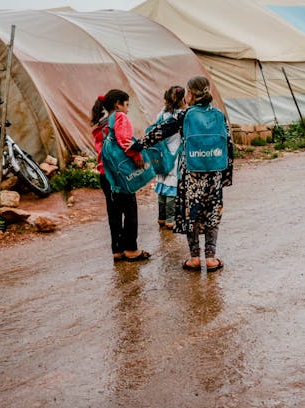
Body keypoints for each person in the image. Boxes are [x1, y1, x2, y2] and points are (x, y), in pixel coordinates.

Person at [137, 76, 233, 272]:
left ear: (193, 94)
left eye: (188, 92)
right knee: (212, 213)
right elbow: (228, 145)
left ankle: (195, 258)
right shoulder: (219, 115)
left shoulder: (185, 115)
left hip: (191, 174)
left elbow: (159, 131)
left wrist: (138, 145)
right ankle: (212, 258)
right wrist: (226, 176)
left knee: (193, 213)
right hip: (214, 173)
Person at [91, 89, 151, 262]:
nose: (127, 109)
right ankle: (131, 249)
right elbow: (125, 140)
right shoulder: (119, 117)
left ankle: (117, 250)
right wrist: (136, 155)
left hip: (105, 173)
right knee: (130, 208)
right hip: (119, 174)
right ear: (118, 104)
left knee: (114, 211)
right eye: (127, 105)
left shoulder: (102, 123)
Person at [153, 85, 186, 228]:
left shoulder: (161, 114)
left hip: (161, 155)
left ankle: (161, 218)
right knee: (172, 187)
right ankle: (171, 220)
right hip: (175, 155)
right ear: (183, 99)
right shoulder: (181, 116)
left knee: (162, 184)